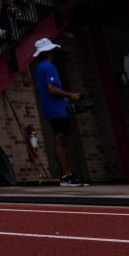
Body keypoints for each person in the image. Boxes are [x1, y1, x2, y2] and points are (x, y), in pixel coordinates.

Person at [31, 38, 88, 187]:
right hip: (57, 109)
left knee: (59, 140)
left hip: (52, 109)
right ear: (49, 52)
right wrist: (70, 95)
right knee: (61, 141)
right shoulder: (49, 67)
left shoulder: (38, 68)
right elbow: (51, 88)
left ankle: (67, 173)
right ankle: (66, 175)